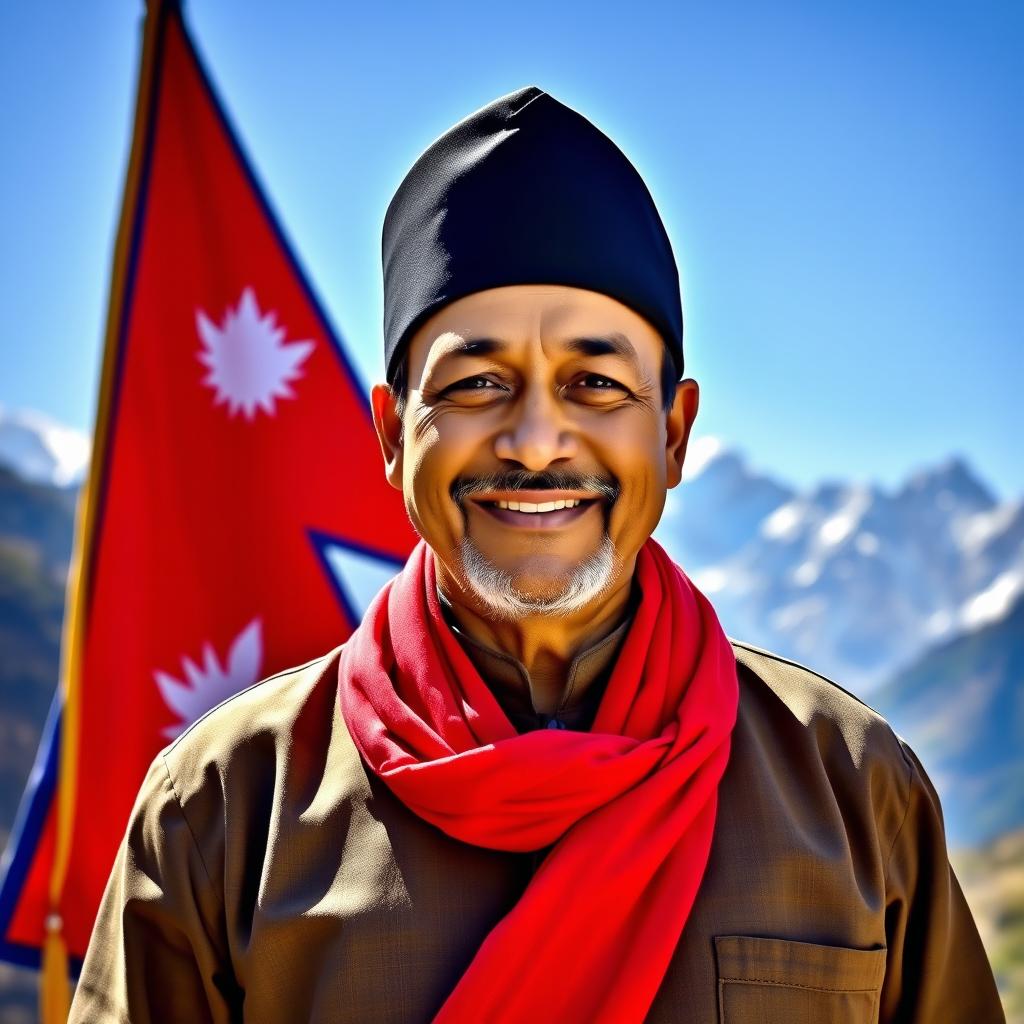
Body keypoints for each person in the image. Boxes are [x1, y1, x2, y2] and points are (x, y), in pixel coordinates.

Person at [69, 85, 1003, 1023]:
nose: (535, 440)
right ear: (393, 435)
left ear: (675, 436)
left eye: (595, 383)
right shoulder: (226, 807)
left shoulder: (847, 785)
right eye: (477, 384)